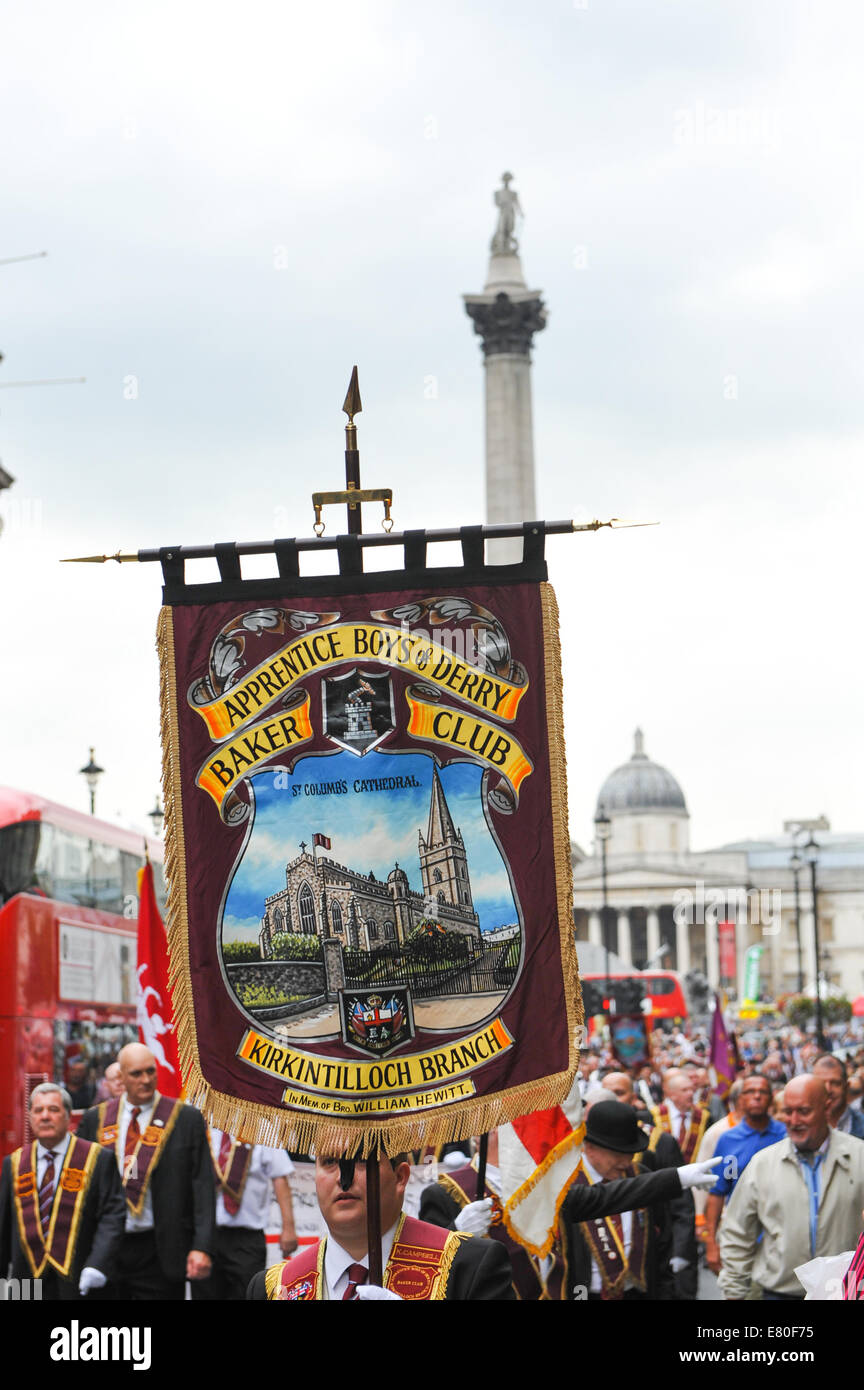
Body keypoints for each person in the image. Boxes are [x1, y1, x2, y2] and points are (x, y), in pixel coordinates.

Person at [248, 1151, 517, 1299]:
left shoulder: (469, 1266)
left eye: (363, 1159)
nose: (344, 1178)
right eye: (329, 1162)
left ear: (400, 1177)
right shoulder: (272, 1288)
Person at [77, 1042, 215, 1300]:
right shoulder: (95, 1120)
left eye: (151, 1072)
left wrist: (202, 1247)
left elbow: (203, 1186)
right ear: (121, 1077)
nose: (146, 1080)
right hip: (107, 1248)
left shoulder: (185, 1119)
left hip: (161, 1248)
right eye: (137, 1074)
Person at [718, 1074, 864, 1301]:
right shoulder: (762, 1164)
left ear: (826, 1107)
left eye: (804, 1111)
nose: (794, 1120)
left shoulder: (859, 1156)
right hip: (779, 1293)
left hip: (848, 1292)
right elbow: (737, 1233)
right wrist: (734, 1292)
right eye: (788, 1111)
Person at [558, 1101, 721, 1300]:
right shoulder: (566, 1184)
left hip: (638, 1292)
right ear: (590, 1147)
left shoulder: (640, 1176)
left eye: (631, 1154)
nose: (626, 1162)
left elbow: (662, 1242)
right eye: (617, 1154)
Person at [0, 1083, 126, 1300]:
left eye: (53, 1110)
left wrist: (98, 1265)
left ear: (68, 1116)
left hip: (81, 1277)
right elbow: (3, 1229)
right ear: (30, 1117)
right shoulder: (14, 1163)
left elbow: (113, 1217)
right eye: (38, 1111)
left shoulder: (98, 1159)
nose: (45, 1116)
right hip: (27, 1283)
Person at [419, 1129, 567, 1298]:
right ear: (495, 1133)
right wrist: (457, 1232)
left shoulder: (542, 1181)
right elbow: (428, 1269)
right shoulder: (443, 1193)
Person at [191, 1128, 297, 1301]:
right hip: (205, 1236)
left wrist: (289, 1228)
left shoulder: (261, 1126)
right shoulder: (201, 1124)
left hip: (246, 1239)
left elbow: (280, 1177)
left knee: (248, 1294)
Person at [703, 1075, 785, 1275]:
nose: (756, 1097)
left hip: (781, 1235)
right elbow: (717, 1193)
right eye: (750, 1092)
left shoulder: (786, 1135)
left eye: (762, 1092)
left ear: (771, 1099)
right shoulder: (727, 1139)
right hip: (739, 1235)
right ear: (740, 1100)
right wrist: (711, 1243)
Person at [811, 1054, 864, 1138]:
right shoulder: (802, 1133)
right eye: (821, 1083)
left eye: (835, 1083)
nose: (828, 1089)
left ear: (846, 1087)